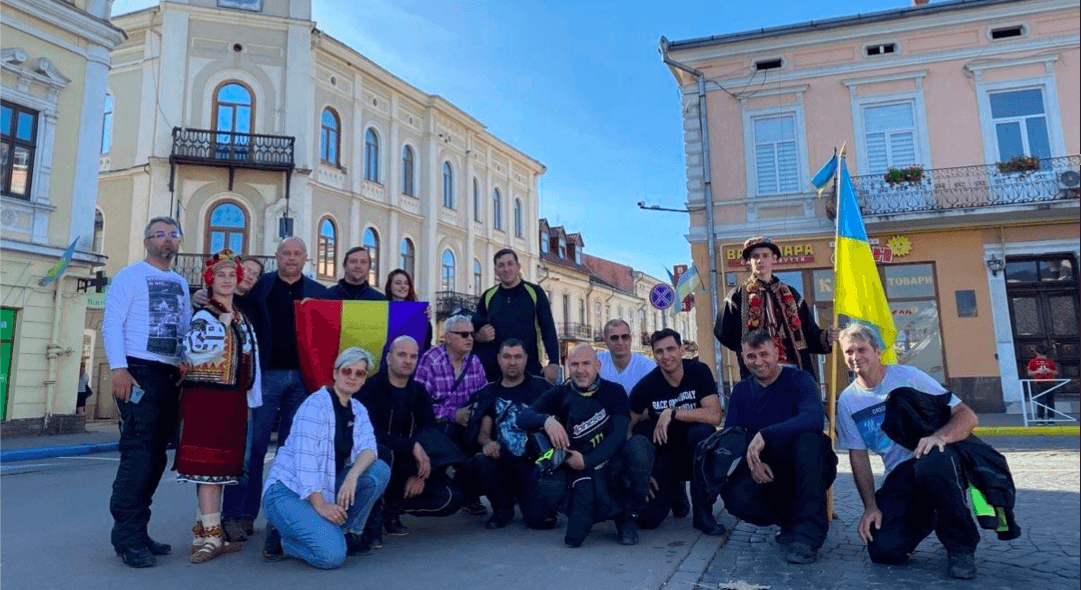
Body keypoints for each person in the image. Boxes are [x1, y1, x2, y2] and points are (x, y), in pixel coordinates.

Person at [835, 324, 980, 579]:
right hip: (900, 476)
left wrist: (938, 437)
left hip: (938, 461)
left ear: (877, 351)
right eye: (848, 351)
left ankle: (960, 548)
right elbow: (858, 456)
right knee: (883, 551)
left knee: (932, 462)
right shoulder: (848, 400)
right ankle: (929, 513)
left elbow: (966, 415)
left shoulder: (909, 377)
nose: (855, 356)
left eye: (862, 349)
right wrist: (870, 506)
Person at [222, 237, 331, 544]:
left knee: (292, 452)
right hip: (264, 377)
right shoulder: (261, 286)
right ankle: (239, 515)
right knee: (251, 448)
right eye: (286, 253)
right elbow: (230, 298)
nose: (291, 258)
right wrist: (203, 295)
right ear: (277, 257)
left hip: (302, 380)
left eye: (297, 253)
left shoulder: (319, 293)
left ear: (306, 258)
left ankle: (284, 519)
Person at [103, 216, 191, 568]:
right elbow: (112, 323)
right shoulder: (130, 276)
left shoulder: (181, 283)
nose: (167, 240)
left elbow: (184, 327)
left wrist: (185, 362)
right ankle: (126, 538)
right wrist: (118, 368)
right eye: (160, 234)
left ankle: (139, 531)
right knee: (138, 455)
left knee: (157, 457)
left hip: (170, 375)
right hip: (138, 372)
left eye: (172, 235)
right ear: (146, 241)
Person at [261, 347, 391, 569]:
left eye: (359, 373)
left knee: (378, 470)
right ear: (335, 373)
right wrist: (321, 506)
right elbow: (306, 461)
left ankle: (348, 533)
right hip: (288, 491)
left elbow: (369, 448)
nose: (352, 377)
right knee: (331, 556)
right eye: (347, 370)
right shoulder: (315, 406)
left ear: (364, 380)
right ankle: (283, 538)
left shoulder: (358, 409)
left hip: (323, 487)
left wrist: (352, 476)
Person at [720, 329, 837, 564]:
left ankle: (807, 536)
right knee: (735, 498)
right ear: (743, 358)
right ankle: (790, 519)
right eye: (751, 356)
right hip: (766, 468)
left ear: (776, 352)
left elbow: (814, 417)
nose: (759, 362)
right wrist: (752, 463)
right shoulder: (742, 391)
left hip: (806, 464)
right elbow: (732, 436)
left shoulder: (800, 379)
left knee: (810, 442)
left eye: (764, 354)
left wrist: (767, 433)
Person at [518, 345, 653, 547]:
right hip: (575, 465)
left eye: (586, 363)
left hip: (611, 462)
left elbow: (617, 437)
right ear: (568, 367)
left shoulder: (614, 392)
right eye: (575, 364)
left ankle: (626, 515)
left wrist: (587, 461)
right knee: (547, 477)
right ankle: (581, 512)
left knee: (639, 447)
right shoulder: (560, 392)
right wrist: (547, 420)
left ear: (598, 366)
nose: (580, 370)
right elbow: (523, 418)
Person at [175, 250, 262, 563]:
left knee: (222, 470)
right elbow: (194, 351)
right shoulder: (206, 314)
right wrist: (220, 324)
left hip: (232, 399)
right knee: (209, 470)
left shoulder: (237, 314)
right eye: (221, 275)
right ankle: (211, 537)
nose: (228, 280)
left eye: (232, 275)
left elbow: (250, 359)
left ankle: (205, 532)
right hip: (207, 399)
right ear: (210, 280)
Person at [356, 336, 466, 545]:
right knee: (382, 452)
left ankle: (394, 506)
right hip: (377, 464)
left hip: (409, 467)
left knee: (452, 497)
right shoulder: (370, 390)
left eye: (413, 356)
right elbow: (367, 435)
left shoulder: (419, 392)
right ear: (388, 358)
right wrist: (411, 446)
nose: (408, 361)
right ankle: (374, 519)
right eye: (402, 355)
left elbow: (431, 436)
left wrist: (421, 475)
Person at [629, 328, 725, 536]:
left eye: (671, 349)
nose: (666, 356)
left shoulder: (698, 372)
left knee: (703, 433)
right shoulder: (647, 385)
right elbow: (627, 425)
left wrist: (672, 412)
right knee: (648, 520)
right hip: (665, 455)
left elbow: (715, 415)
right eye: (659, 351)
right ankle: (675, 491)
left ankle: (703, 514)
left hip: (695, 451)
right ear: (654, 355)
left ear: (682, 349)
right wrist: (639, 468)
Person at [715, 236, 835, 380]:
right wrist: (748, 350)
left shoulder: (791, 294)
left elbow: (809, 332)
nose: (760, 260)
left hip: (792, 368)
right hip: (758, 372)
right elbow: (722, 331)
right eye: (755, 256)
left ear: (774, 258)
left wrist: (827, 336)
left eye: (765, 255)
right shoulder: (737, 296)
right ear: (748, 261)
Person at [470, 339, 557, 529]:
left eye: (518, 357)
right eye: (507, 357)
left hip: (535, 465)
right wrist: (487, 444)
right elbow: (483, 433)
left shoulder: (542, 388)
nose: (512, 362)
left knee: (539, 521)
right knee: (480, 461)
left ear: (526, 359)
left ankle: (542, 499)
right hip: (503, 462)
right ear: (499, 360)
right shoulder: (489, 392)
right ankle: (502, 509)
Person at [414, 313, 490, 516]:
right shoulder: (430, 360)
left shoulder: (474, 362)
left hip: (466, 426)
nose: (470, 339)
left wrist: (475, 415)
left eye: (471, 334)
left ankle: (471, 494)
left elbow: (484, 398)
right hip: (437, 427)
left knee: (481, 438)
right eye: (464, 334)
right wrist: (452, 414)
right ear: (447, 337)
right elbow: (419, 406)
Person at [474, 249, 560, 382]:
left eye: (510, 264)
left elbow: (548, 329)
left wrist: (554, 363)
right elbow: (474, 331)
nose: (506, 269)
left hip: (531, 371)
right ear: (496, 270)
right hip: (496, 375)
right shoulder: (488, 296)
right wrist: (478, 337)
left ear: (518, 267)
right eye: (501, 265)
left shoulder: (534, 292)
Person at [597, 319, 655, 396]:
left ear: (631, 339)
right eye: (614, 338)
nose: (620, 342)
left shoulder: (648, 367)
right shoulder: (596, 362)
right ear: (606, 341)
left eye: (625, 337)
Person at [385, 268, 432, 352]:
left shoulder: (419, 311)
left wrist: (427, 321)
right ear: (389, 286)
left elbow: (426, 342)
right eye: (398, 283)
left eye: (406, 283)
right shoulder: (382, 308)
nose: (403, 286)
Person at [1025, 345, 1060, 422]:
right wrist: (1038, 371)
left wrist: (1049, 371)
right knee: (1041, 401)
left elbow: (1056, 372)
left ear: (1036, 352)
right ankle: (1042, 418)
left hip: (1050, 383)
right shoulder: (1033, 361)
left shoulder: (1050, 361)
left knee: (1049, 401)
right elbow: (1030, 373)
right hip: (1040, 383)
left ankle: (1049, 418)